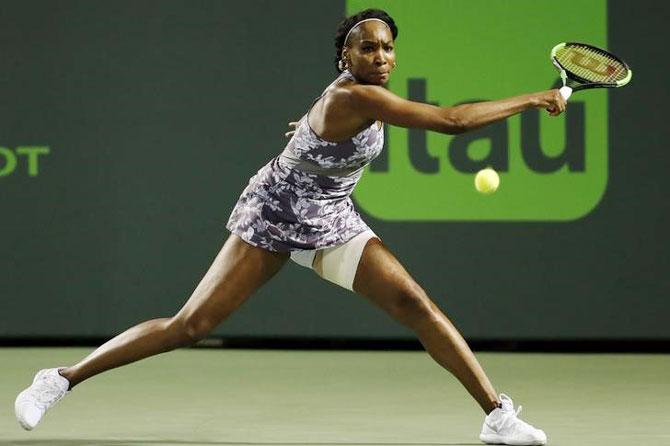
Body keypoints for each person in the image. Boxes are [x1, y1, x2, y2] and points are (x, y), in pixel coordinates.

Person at [15, 8, 565, 446]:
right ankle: (60, 379)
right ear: (344, 56)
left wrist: (305, 126)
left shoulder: (350, 96)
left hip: (331, 217)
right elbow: (451, 122)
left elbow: (325, 128)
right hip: (273, 214)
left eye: (387, 47)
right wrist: (537, 97)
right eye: (367, 46)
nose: (380, 56)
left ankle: (496, 414)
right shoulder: (354, 95)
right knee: (190, 326)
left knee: (415, 304)